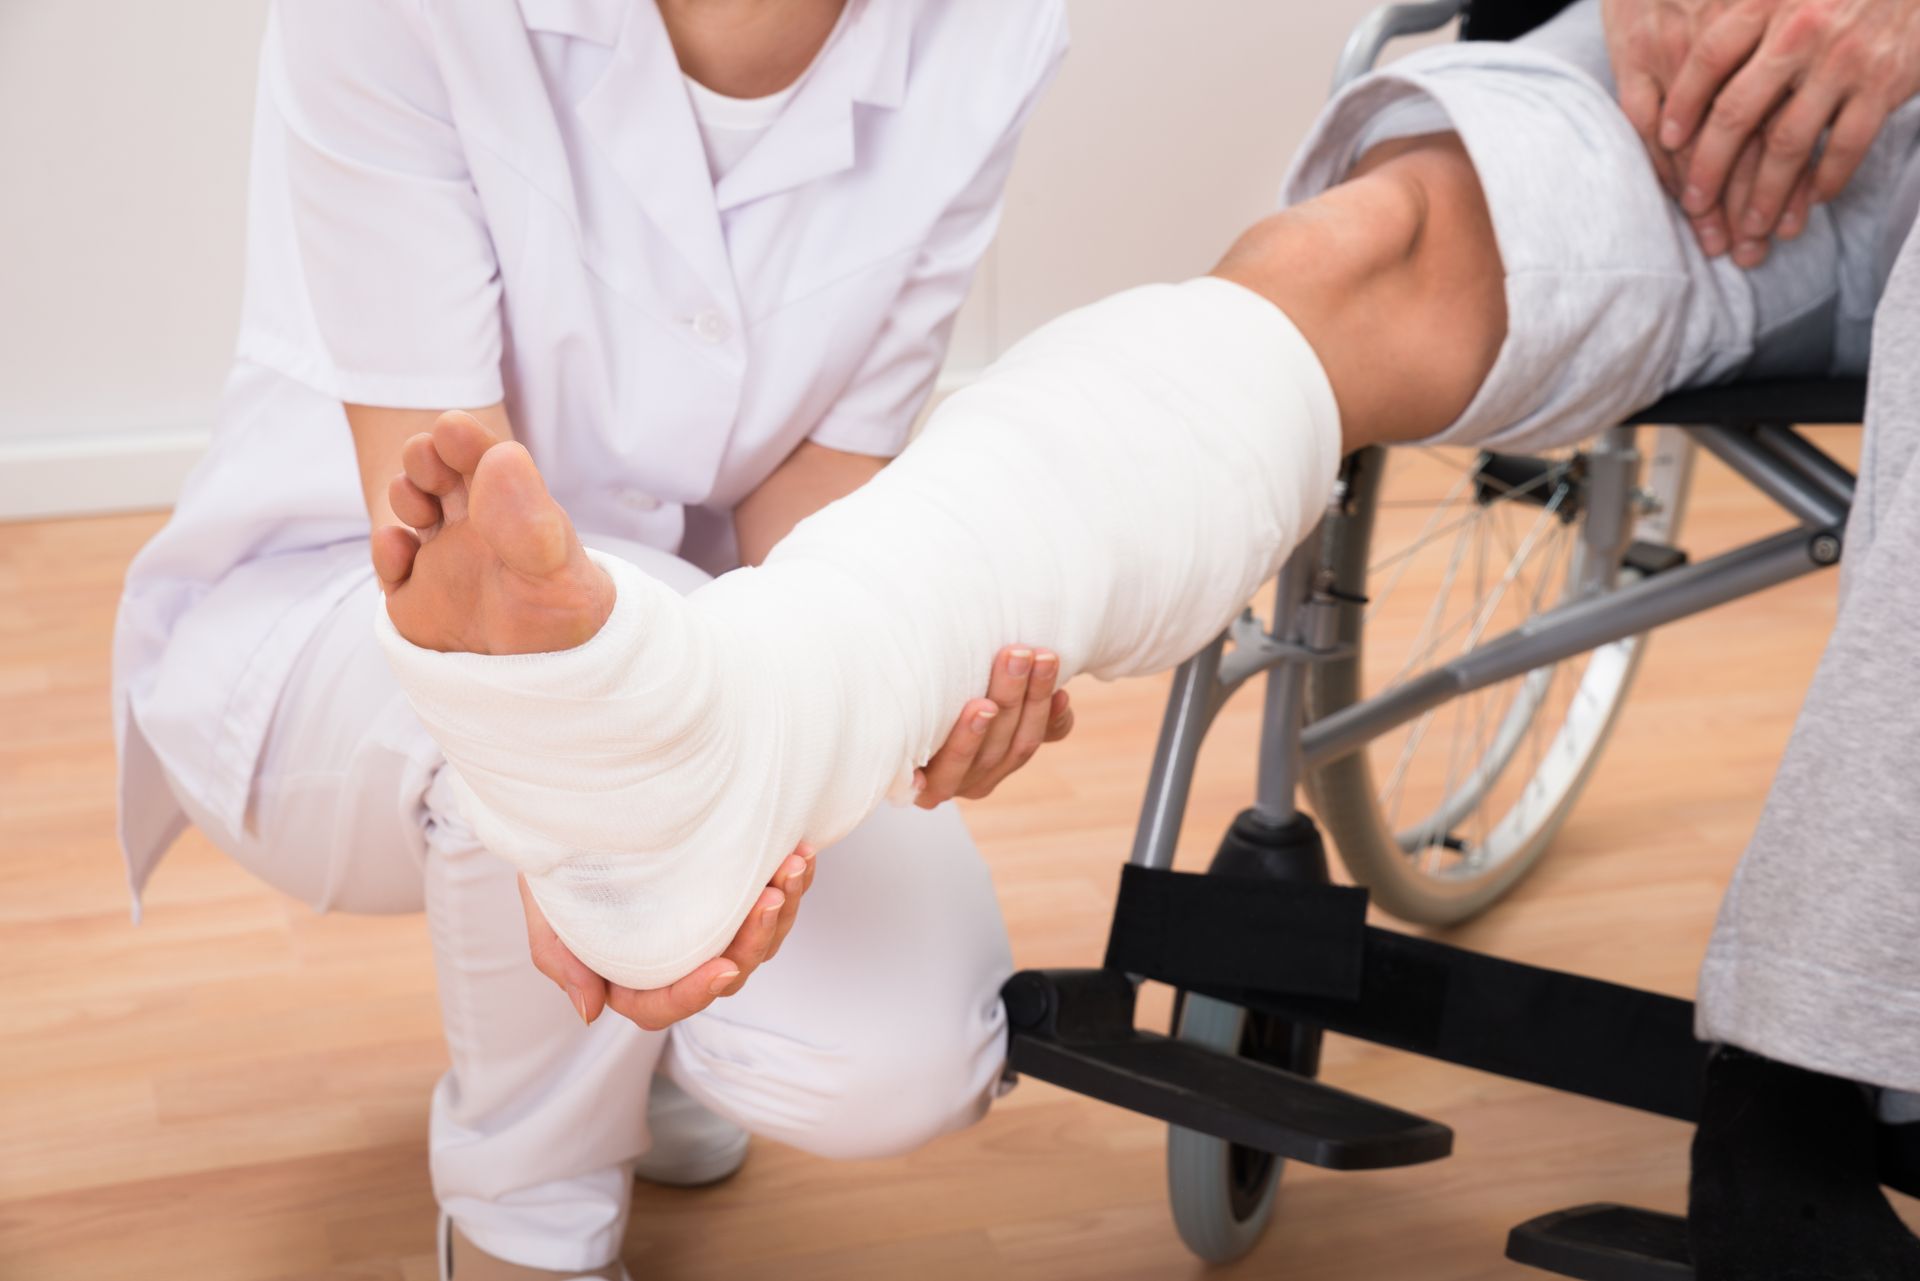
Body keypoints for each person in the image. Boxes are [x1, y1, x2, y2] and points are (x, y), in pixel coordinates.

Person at [370, 0, 1920, 1275]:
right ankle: (726, 721)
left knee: (886, 1015)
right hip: (1709, 65)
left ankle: (1802, 1092)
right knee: (1347, 265)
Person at [111, 1, 1075, 1276]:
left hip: (701, 645)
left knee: (913, 1049)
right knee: (590, 684)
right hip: (341, 624)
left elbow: (814, 504)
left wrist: (907, 679)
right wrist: (591, 785)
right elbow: (456, 539)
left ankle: (629, 1041)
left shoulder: (990, 28)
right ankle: (525, 1223)